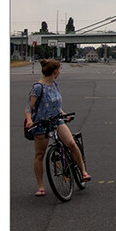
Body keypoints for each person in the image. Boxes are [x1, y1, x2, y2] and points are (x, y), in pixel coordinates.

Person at [24, 58, 91, 196]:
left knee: (71, 143)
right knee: (39, 155)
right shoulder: (38, 87)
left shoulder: (54, 84)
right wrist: (29, 120)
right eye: (59, 69)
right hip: (41, 123)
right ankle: (40, 187)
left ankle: (83, 172)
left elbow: (56, 105)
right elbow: (28, 108)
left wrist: (64, 114)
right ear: (55, 71)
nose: (60, 71)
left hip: (57, 119)